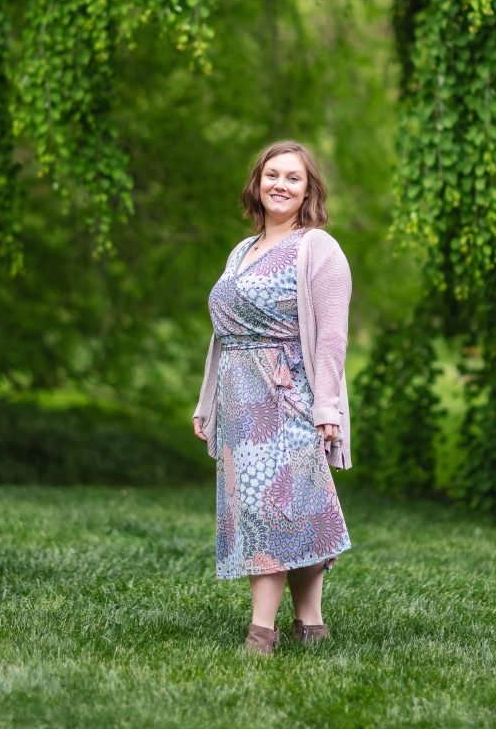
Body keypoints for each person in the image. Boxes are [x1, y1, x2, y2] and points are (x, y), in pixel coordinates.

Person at [192, 139, 353, 655]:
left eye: (293, 178)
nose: (280, 185)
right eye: (272, 175)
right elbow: (224, 335)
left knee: (277, 510)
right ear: (257, 183)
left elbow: (331, 336)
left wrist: (327, 408)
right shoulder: (241, 250)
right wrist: (207, 403)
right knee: (293, 509)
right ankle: (312, 624)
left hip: (288, 397)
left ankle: (261, 633)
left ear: (309, 191)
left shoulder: (317, 248)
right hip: (239, 400)